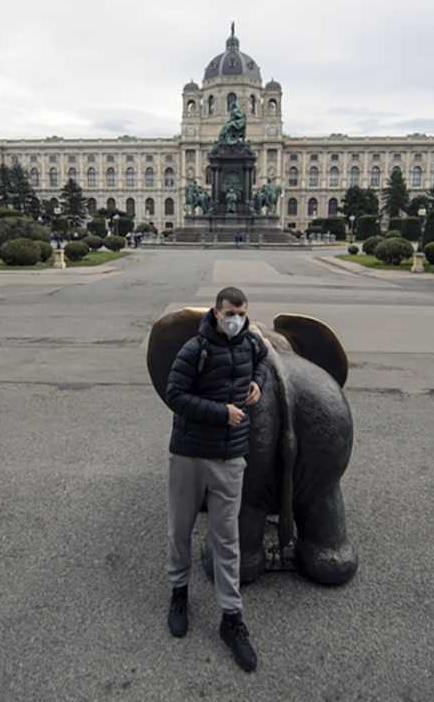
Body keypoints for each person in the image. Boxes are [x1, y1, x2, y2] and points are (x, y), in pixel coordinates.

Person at [163, 286, 268, 672]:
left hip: (229, 458)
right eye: (230, 312)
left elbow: (262, 367)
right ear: (216, 311)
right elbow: (174, 394)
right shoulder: (195, 349)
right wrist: (219, 413)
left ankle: (231, 617)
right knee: (180, 529)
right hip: (190, 454)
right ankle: (178, 592)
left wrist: (260, 382)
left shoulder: (252, 345)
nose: (235, 319)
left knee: (227, 539)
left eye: (241, 312)